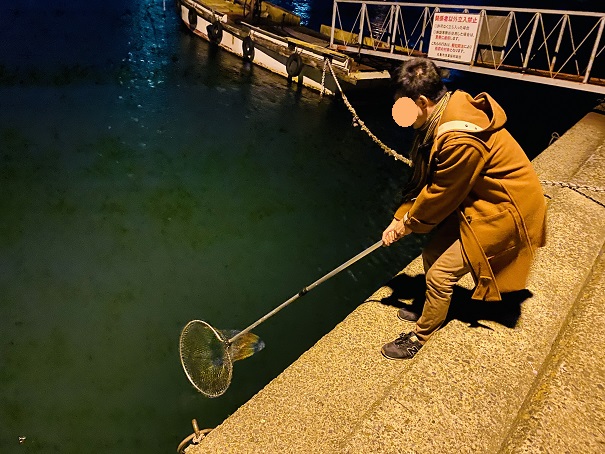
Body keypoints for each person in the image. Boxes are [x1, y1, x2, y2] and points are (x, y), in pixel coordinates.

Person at [380, 58, 547, 360]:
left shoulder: (459, 139)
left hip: (505, 210)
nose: (400, 115)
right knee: (431, 254)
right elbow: (424, 179)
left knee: (440, 275)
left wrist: (408, 223)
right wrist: (400, 216)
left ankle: (421, 336)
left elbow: (442, 193)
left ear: (421, 101)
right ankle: (431, 308)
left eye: (402, 106)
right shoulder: (440, 114)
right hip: (477, 201)